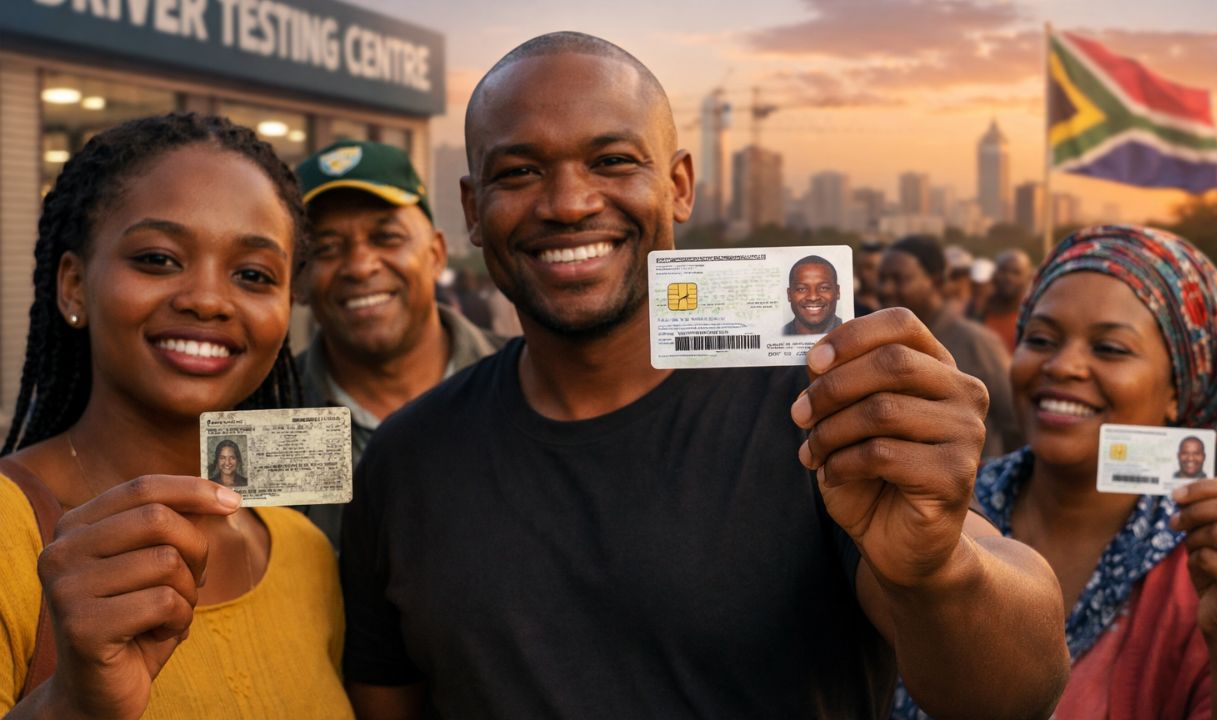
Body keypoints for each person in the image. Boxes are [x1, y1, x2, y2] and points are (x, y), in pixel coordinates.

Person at [340, 31, 1069, 719]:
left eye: (612, 161)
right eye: (520, 171)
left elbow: (1016, 693)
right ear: (472, 208)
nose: (568, 203)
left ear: (680, 185)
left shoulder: (822, 410)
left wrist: (936, 568)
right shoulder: (406, 461)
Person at [0, 114, 352, 716]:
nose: (208, 299)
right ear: (74, 286)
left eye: (252, 275)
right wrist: (72, 703)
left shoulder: (305, 551)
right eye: (159, 259)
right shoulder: (10, 529)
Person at [895, 225, 1217, 719]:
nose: (1063, 366)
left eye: (1110, 349)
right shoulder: (942, 509)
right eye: (1040, 339)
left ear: (1177, 391)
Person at [292, 139, 504, 546]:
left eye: (386, 237)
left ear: (436, 254)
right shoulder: (265, 422)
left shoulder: (530, 384)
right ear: (298, 279)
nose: (359, 266)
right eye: (326, 248)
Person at [878, 235, 1022, 457]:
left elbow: (1016, 421)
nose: (886, 289)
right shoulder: (881, 342)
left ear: (935, 281)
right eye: (882, 279)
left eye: (899, 279)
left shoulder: (976, 341)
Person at [982, 249, 1033, 354]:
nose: (1009, 277)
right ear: (994, 274)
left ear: (1028, 277)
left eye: (1016, 273)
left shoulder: (1033, 318)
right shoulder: (976, 311)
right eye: (1003, 271)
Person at [782, 255, 842, 335]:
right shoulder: (775, 335)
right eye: (802, 289)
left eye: (823, 288)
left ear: (837, 292)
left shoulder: (849, 330)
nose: (813, 297)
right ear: (789, 294)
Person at [853, 241, 883, 317]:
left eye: (870, 267)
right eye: (859, 267)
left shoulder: (894, 305)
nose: (864, 273)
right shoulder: (848, 306)